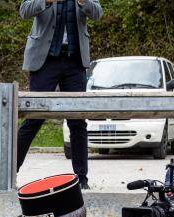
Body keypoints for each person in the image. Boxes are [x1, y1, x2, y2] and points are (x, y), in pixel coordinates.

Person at [16, 0, 104, 190]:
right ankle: (9, 171)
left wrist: (83, 2)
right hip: (44, 61)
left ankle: (81, 179)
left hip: (75, 61)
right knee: (34, 118)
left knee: (77, 121)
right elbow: (24, 11)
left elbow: (97, 13)